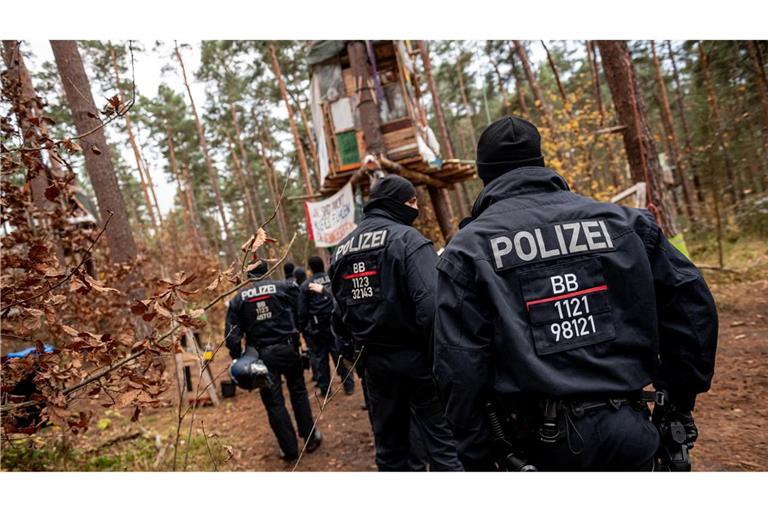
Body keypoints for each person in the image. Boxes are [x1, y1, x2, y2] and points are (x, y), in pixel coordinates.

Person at [433, 116, 718, 471]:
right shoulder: (626, 225)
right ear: (541, 163)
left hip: (539, 449)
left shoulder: (467, 251)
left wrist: (475, 454)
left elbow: (459, 365)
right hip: (629, 431)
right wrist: (678, 400)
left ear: (485, 175)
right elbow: (693, 308)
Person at [329, 174, 463, 471]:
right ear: (395, 203)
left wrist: (360, 359)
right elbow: (432, 308)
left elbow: (338, 318)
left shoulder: (340, 250)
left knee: (390, 450)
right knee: (443, 447)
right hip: (419, 362)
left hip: (376, 367)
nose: (416, 207)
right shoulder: (408, 240)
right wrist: (438, 360)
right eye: (412, 200)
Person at [225, 261, 322, 463]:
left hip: (261, 357)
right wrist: (300, 332)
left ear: (248, 276)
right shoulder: (284, 288)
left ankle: (290, 449)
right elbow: (302, 309)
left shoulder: (239, 299)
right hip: (288, 349)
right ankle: (310, 438)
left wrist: (237, 357)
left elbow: (232, 335)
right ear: (267, 271)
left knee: (273, 402)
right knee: (299, 391)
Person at [298, 256, 355, 396]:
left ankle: (325, 389)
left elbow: (302, 310)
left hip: (317, 328)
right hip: (335, 323)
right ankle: (349, 385)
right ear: (323, 265)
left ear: (310, 268)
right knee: (339, 355)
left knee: (321, 358)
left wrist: (302, 328)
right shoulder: (332, 278)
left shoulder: (306, 285)